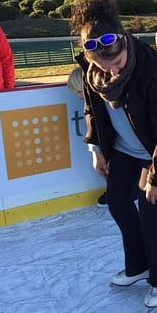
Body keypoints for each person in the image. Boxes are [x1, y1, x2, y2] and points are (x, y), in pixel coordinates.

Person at [71, 0, 157, 308]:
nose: (110, 71)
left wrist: (155, 179)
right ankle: (139, 264)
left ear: (125, 41)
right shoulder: (90, 69)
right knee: (117, 203)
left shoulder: (155, 68)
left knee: (150, 210)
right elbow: (92, 109)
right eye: (101, 63)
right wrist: (96, 149)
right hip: (125, 150)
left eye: (116, 63)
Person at [68, 66, 107, 207]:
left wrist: (96, 150)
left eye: (79, 91)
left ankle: (123, 192)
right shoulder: (90, 103)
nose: (78, 96)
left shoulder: (99, 102)